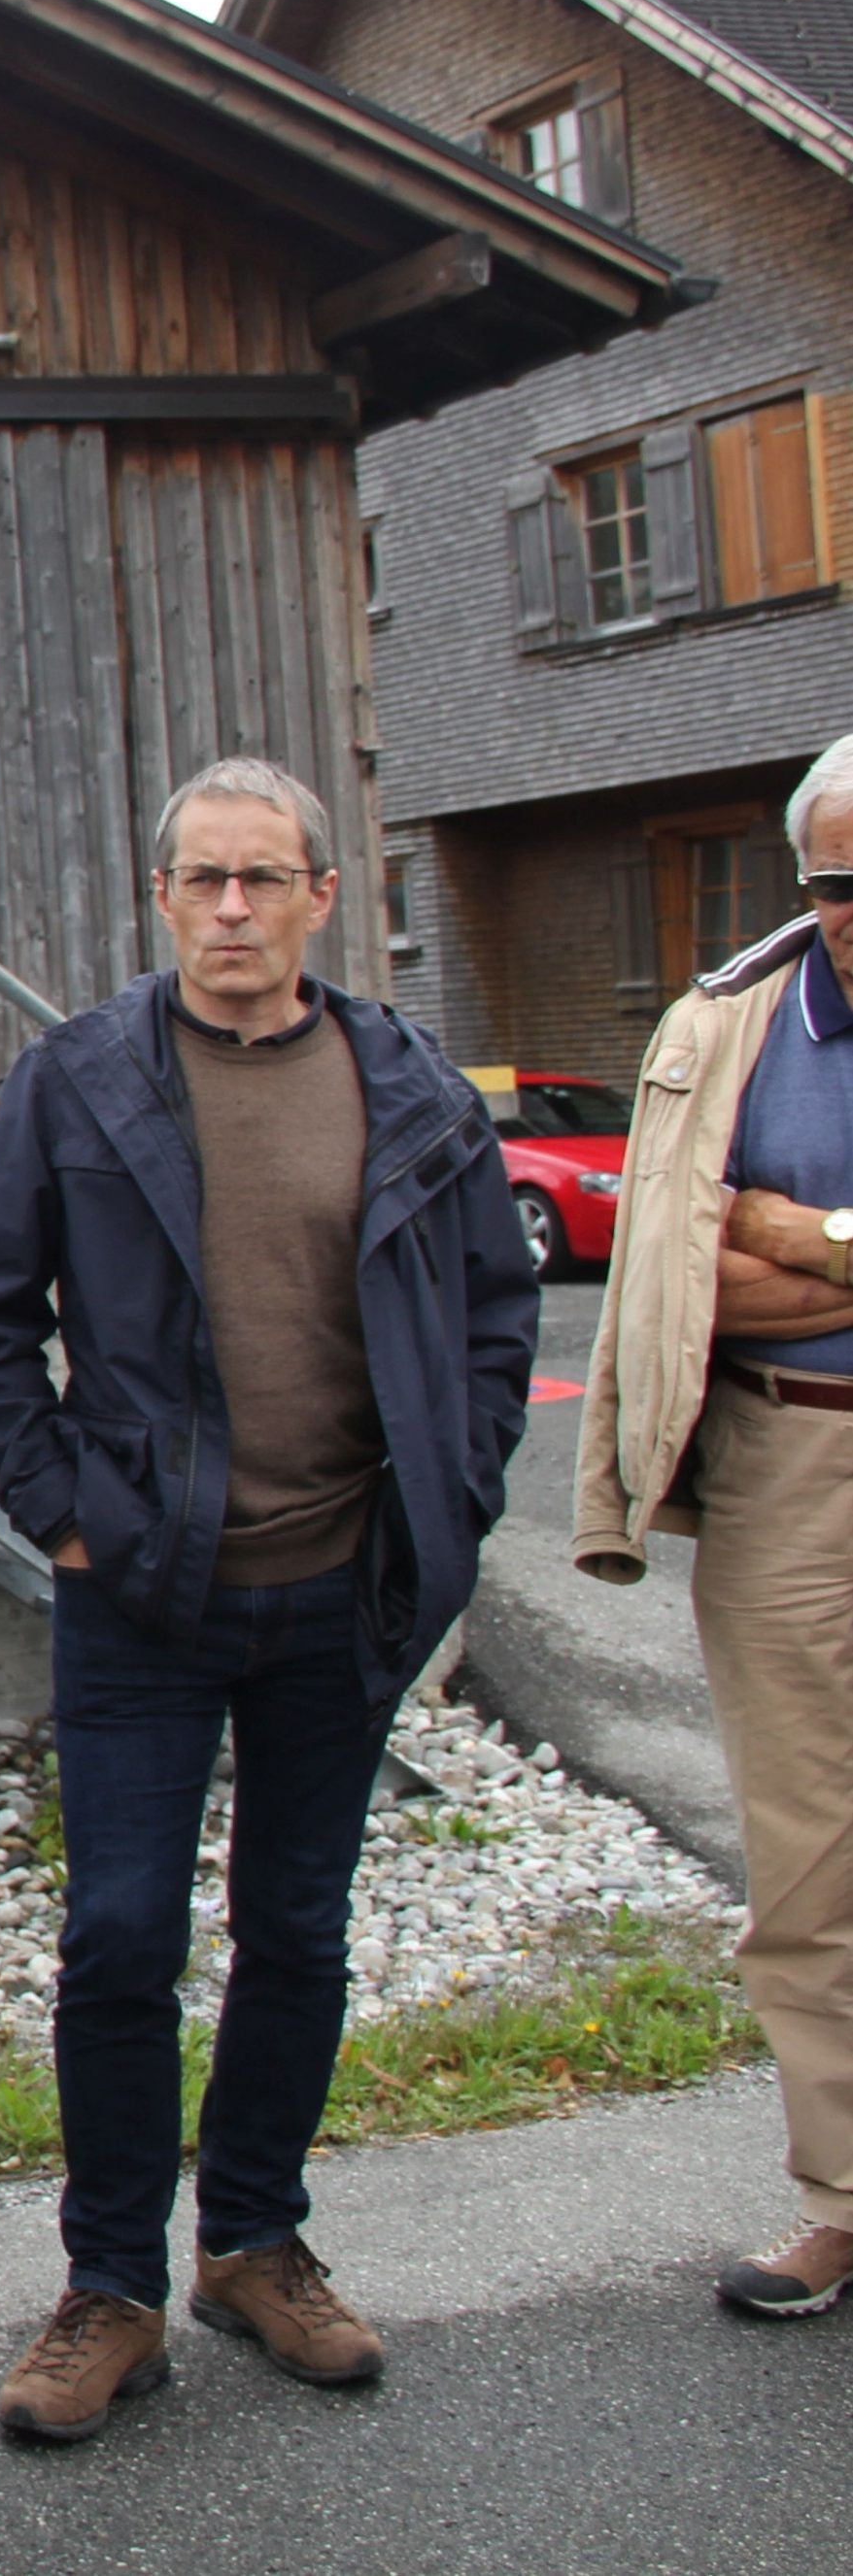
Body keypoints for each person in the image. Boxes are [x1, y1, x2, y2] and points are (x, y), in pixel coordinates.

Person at [0, 758, 535, 2441]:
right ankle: (110, 2287)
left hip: (342, 1587)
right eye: (198, 881)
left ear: (319, 898)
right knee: (118, 1938)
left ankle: (254, 2243)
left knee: (298, 1929)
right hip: (138, 1594)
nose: (227, 913)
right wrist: (62, 1516)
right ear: (159, 898)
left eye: (260, 881)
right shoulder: (79, 1080)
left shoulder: (411, 1085)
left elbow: (494, 1318)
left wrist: (456, 1489)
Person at [574, 733, 853, 2319]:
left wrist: (803, 1235)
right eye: (835, 883)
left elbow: (751, 1258)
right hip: (787, 1472)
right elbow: (682, 1283)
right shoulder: (728, 1026)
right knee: (807, 1859)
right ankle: (837, 2193)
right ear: (799, 878)